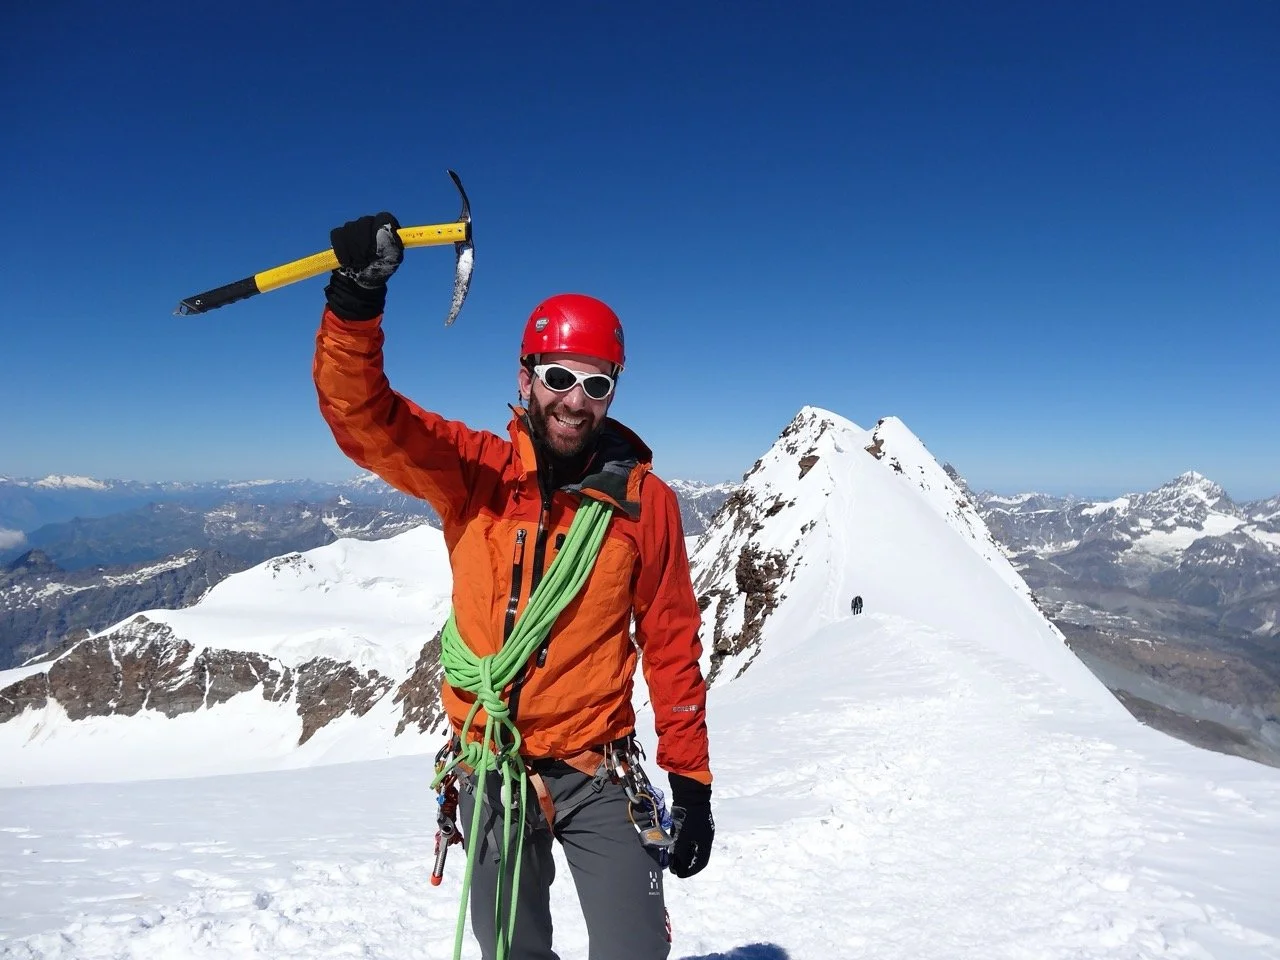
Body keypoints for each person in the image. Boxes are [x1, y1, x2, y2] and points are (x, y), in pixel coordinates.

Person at [313, 213, 714, 960]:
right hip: (494, 764)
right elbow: (367, 421)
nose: (575, 400)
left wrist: (690, 780)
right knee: (511, 951)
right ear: (526, 377)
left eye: (597, 385)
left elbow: (669, 639)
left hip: (597, 765)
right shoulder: (476, 474)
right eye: (559, 378)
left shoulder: (643, 503)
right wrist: (356, 305)